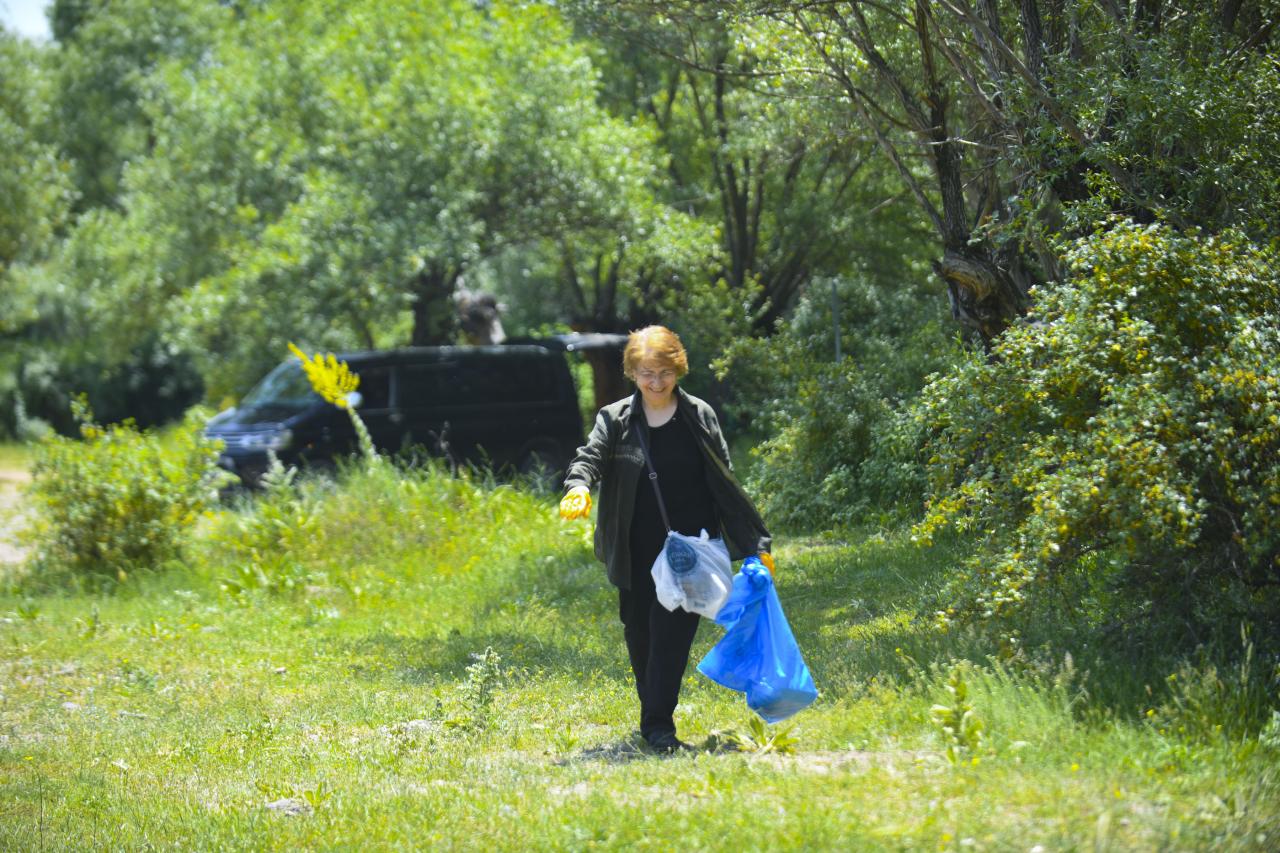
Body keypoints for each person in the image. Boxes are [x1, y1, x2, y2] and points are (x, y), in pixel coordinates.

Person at [559, 325, 773, 753]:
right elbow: (590, 456)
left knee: (670, 637)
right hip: (634, 547)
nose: (655, 383)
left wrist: (755, 547)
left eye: (664, 373)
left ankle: (658, 728)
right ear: (633, 373)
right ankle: (653, 715)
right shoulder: (616, 419)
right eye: (645, 373)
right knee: (640, 636)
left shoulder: (699, 415)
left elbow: (724, 482)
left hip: (690, 551)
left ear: (679, 369)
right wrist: (578, 486)